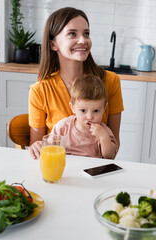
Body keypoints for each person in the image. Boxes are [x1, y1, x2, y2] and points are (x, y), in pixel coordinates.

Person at [28, 7, 124, 159]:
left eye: (86, 33)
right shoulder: (40, 90)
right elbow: (38, 145)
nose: (83, 40)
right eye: (72, 34)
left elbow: (114, 145)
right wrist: (35, 146)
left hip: (94, 171)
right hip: (58, 169)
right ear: (53, 44)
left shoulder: (110, 81)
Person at [29, 75, 118, 159]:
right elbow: (48, 148)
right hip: (65, 168)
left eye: (96, 111)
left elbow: (110, 157)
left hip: (91, 171)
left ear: (104, 109)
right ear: (73, 108)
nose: (90, 117)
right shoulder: (63, 127)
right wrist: (38, 145)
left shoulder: (104, 131)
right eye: (83, 111)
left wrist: (103, 137)